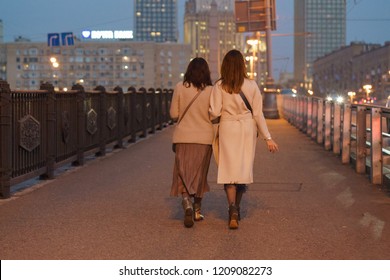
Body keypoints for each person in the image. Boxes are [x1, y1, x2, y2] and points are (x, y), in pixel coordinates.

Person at [209, 49, 279, 230]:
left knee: (228, 170)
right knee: (242, 170)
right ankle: (237, 208)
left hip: (227, 128)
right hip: (247, 129)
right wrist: (268, 138)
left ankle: (232, 207)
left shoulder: (219, 86)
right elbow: (258, 114)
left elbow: (214, 112)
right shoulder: (252, 85)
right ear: (242, 65)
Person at [169, 57, 214, 228]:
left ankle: (186, 202)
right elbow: (214, 114)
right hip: (204, 138)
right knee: (200, 174)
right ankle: (196, 209)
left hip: (183, 138)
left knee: (183, 171)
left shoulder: (180, 87)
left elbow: (174, 114)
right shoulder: (211, 91)